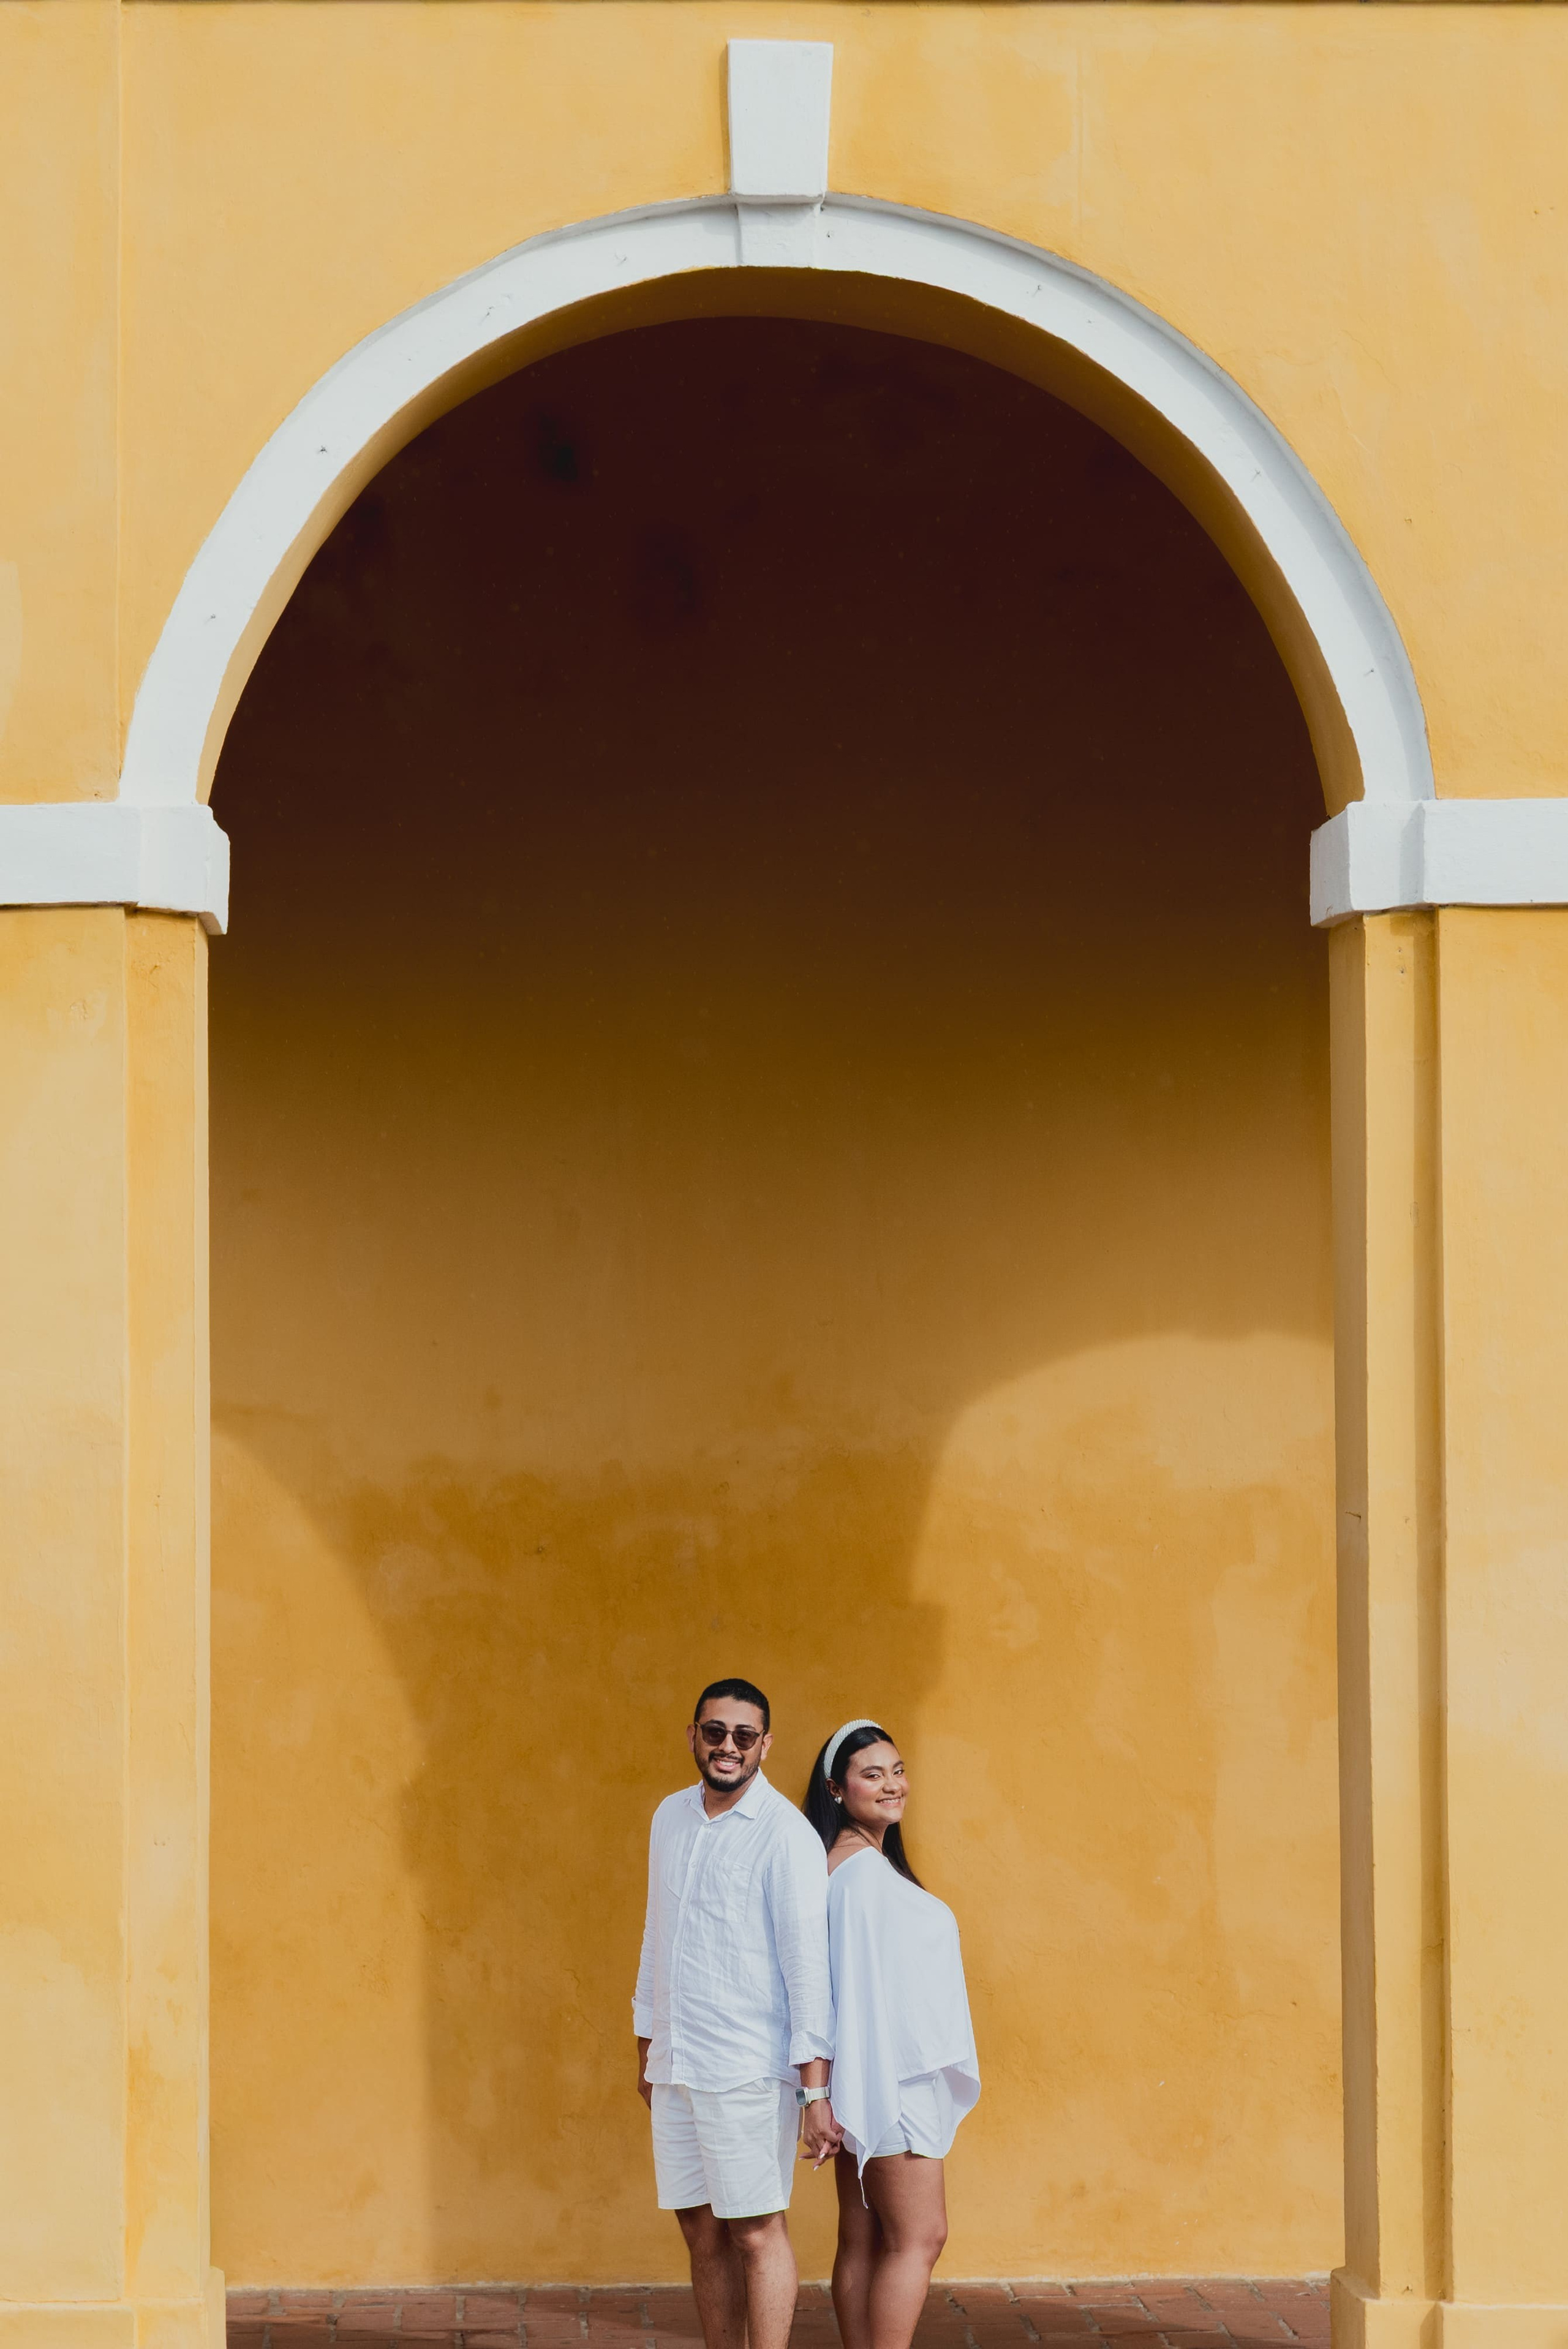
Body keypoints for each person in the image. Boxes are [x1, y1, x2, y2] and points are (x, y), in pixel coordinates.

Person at [635, 1677, 838, 2349]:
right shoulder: (670, 1815)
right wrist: (647, 2048)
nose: (727, 1747)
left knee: (754, 2227)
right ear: (692, 1734)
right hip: (677, 2060)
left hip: (747, 2066)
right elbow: (655, 1936)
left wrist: (816, 2093)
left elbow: (808, 1973)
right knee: (698, 2224)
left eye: (743, 1736)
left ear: (764, 1744)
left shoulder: (786, 1835)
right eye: (714, 1731)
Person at [803, 1718, 981, 2349]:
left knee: (864, 2235)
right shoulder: (861, 1878)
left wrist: (827, 2090)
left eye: (897, 1770)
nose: (891, 1785)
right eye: (872, 1774)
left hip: (868, 2075)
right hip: (892, 2080)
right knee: (919, 2235)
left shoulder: (845, 1866)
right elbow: (853, 1993)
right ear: (835, 1788)